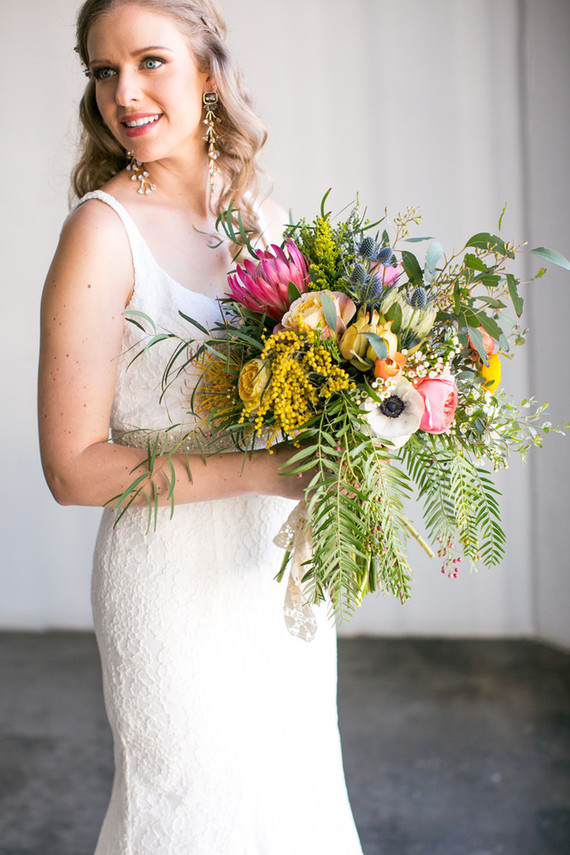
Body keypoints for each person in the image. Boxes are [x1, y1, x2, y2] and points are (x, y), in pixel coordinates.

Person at [38, 1, 364, 852]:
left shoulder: (265, 221)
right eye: (104, 71)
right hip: (170, 589)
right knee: (190, 815)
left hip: (274, 577)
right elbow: (73, 468)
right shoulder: (101, 235)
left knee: (292, 801)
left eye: (150, 62)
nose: (125, 93)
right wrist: (263, 472)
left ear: (207, 71)